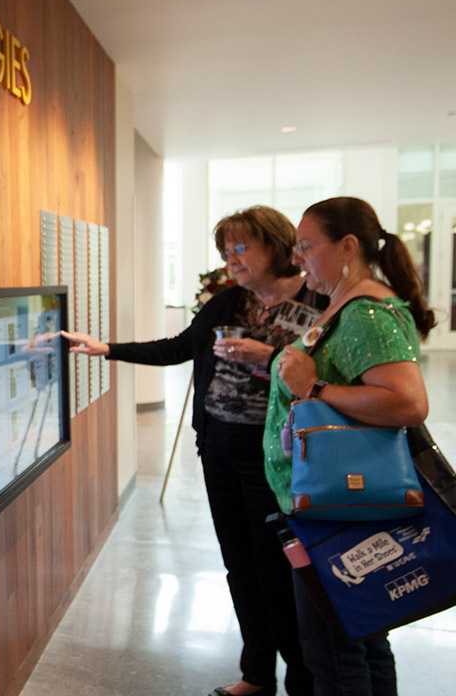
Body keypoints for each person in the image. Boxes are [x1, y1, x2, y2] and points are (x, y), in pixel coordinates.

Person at [65, 206, 324, 696]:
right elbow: (179, 346)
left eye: (241, 248)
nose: (232, 259)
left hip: (281, 454)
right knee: (239, 564)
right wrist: (107, 349)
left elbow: (328, 375)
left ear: (276, 246)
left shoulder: (318, 300)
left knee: (278, 568)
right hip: (221, 448)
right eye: (226, 251)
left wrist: (264, 356)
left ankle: (303, 679)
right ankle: (256, 675)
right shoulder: (228, 304)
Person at [266, 196, 432, 695]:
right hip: (331, 498)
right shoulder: (347, 304)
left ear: (348, 246)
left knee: (334, 652)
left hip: (340, 503)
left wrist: (314, 389)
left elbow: (406, 403)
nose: (298, 258)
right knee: (362, 633)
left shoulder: (367, 313)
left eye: (306, 246)